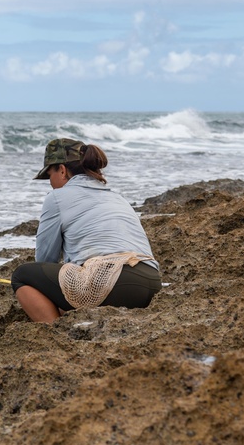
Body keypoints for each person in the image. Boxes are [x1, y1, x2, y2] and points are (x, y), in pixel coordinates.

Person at [11, 138, 162, 322]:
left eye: (50, 175)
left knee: (23, 275)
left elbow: (45, 260)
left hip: (113, 283)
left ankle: (55, 334)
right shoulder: (116, 197)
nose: (50, 183)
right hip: (152, 283)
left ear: (62, 170)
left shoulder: (57, 197)